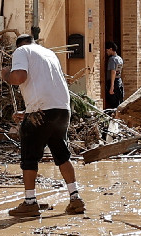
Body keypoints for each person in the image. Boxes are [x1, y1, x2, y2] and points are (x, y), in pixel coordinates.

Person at [5, 33, 85, 219]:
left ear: (19, 45)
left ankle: (30, 202)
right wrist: (27, 112)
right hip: (61, 110)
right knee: (61, 154)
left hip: (41, 111)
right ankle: (75, 198)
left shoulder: (21, 51)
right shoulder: (49, 54)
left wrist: (6, 75)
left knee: (29, 157)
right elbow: (47, 88)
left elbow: (19, 77)